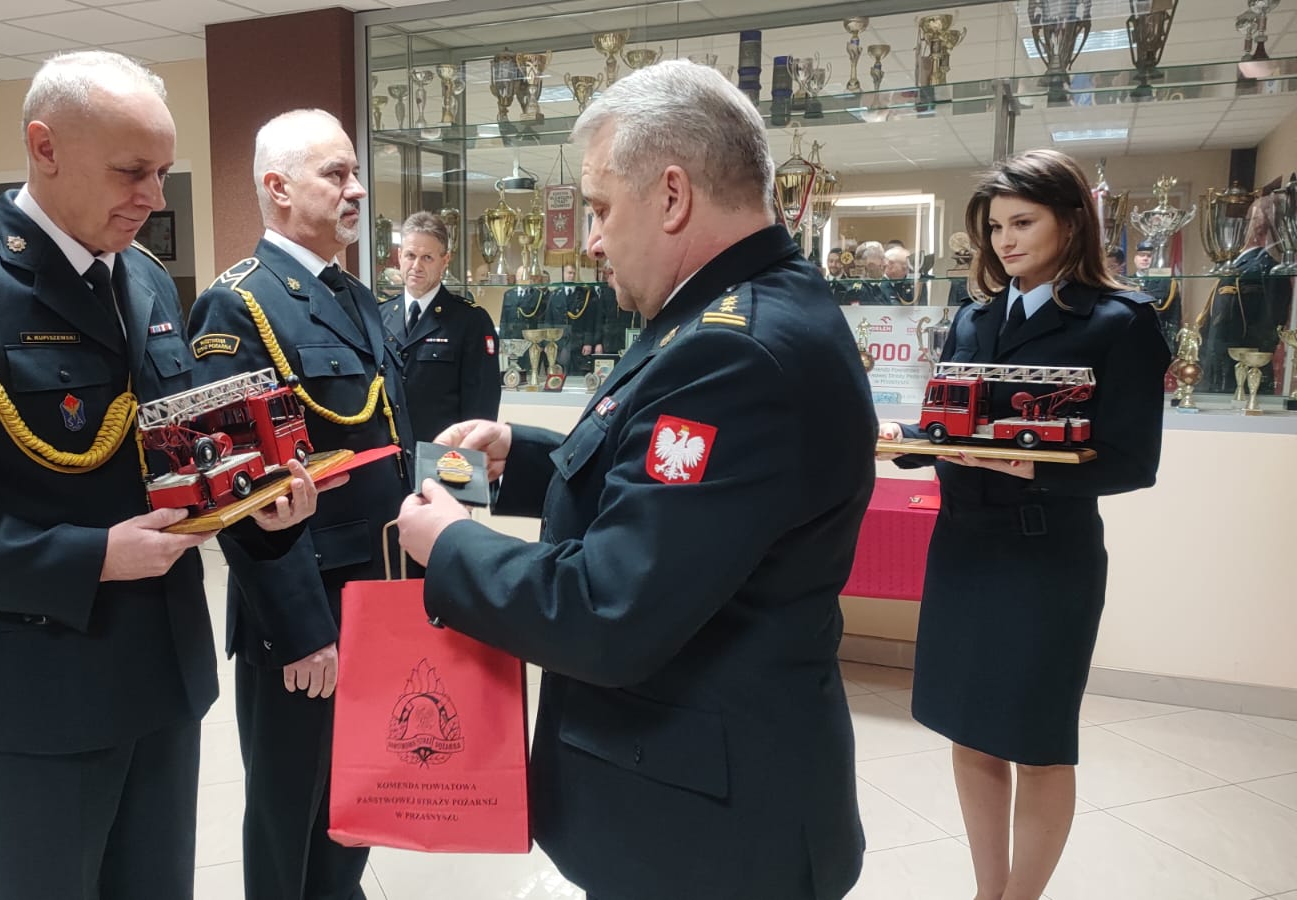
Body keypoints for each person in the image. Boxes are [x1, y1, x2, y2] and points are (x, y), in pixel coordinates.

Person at [0, 51, 324, 899]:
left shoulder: (147, 280)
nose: (155, 198)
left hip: (164, 676)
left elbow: (174, 457)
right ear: (45, 147)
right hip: (42, 690)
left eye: (163, 172)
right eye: (132, 171)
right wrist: (88, 556)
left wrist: (257, 510)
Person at [395, 60, 870, 900]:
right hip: (701, 795)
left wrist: (454, 548)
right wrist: (518, 460)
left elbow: (607, 610)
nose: (591, 240)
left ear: (673, 196)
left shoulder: (733, 351)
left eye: (601, 208)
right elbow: (665, 488)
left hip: (706, 837)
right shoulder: (729, 310)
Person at [878, 149, 1170, 900]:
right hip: (962, 550)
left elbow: (1133, 462)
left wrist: (1031, 468)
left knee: (1038, 744)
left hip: (1046, 560)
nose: (1004, 241)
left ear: (1071, 223)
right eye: (995, 227)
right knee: (970, 730)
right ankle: (989, 891)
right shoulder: (974, 317)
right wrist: (903, 440)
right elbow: (954, 423)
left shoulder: (1121, 322)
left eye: (1022, 223)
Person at [185, 107, 413, 900]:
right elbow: (236, 493)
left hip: (378, 595)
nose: (357, 190)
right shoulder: (237, 306)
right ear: (278, 188)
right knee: (291, 811)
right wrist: (300, 630)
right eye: (335, 174)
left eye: (355, 173)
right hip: (307, 611)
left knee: (358, 798)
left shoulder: (354, 295)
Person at [379, 211, 501, 441]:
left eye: (427, 257)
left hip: (443, 452)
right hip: (391, 452)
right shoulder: (379, 316)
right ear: (399, 256)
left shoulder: (471, 321)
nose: (416, 266)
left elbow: (481, 408)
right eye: (410, 255)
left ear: (445, 261)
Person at [1198, 194, 1291, 393]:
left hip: (1241, 371)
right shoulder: (1242, 265)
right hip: (1221, 367)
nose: (1242, 226)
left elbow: (1266, 325)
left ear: (1258, 226)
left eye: (1249, 220)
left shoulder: (1262, 268)